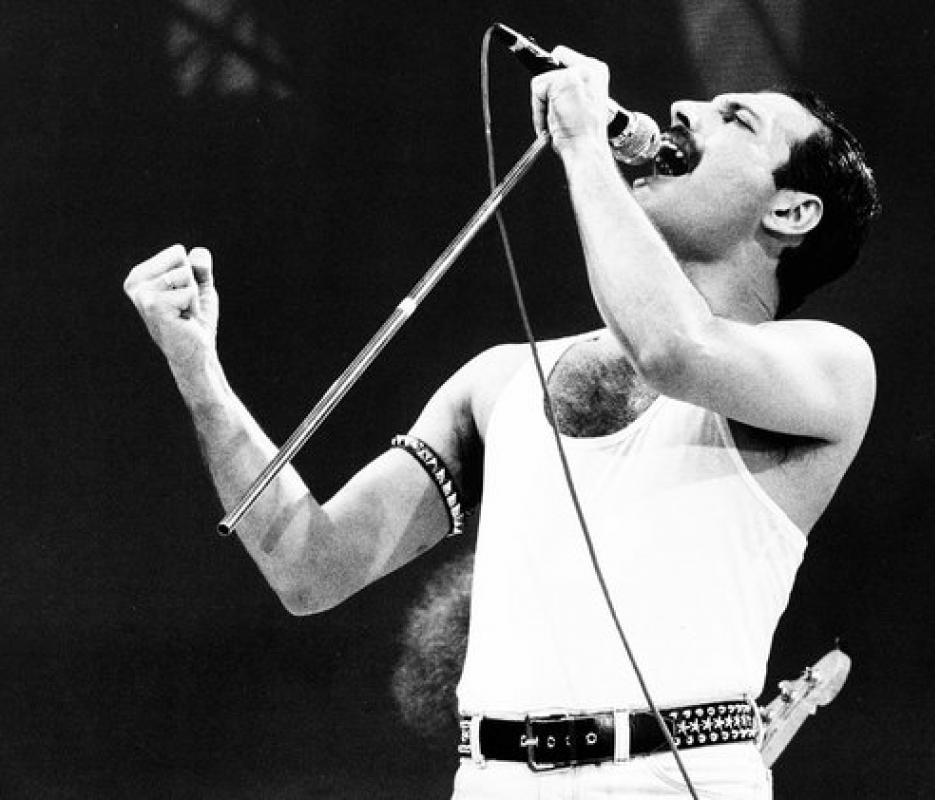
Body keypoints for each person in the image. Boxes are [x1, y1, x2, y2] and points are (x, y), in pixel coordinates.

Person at [124, 44, 879, 800]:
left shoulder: (831, 367)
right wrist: (199, 375)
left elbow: (672, 350)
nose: (684, 109)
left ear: (791, 211)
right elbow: (311, 569)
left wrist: (583, 145)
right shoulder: (498, 380)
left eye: (736, 118)